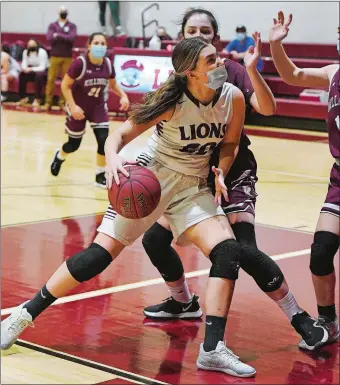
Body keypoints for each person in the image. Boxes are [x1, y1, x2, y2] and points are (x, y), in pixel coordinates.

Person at [1, 37, 258, 378]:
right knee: (98, 256)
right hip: (151, 179)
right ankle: (23, 314)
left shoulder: (233, 97)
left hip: (192, 186)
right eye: (211, 60)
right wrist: (111, 160)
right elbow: (118, 135)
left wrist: (221, 172)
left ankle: (212, 348)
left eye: (218, 57)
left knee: (227, 252)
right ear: (189, 72)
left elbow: (230, 142)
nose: (221, 63)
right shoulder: (171, 101)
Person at [141, 7, 328, 351]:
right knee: (153, 241)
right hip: (191, 178)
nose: (199, 35)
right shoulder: (173, 84)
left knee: (243, 250)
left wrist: (254, 69)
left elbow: (268, 108)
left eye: (206, 31)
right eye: (192, 30)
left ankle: (299, 317)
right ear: (182, 38)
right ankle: (182, 302)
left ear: (216, 37)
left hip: (234, 170)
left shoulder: (230, 71)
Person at [269, 11, 340, 347]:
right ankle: (329, 320)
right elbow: (293, 75)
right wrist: (275, 45)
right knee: (321, 252)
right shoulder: (333, 72)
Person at [50, 33, 129, 188]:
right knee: (73, 145)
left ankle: (100, 173)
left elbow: (113, 85)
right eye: (96, 43)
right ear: (89, 45)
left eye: (102, 43)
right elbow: (65, 86)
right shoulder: (80, 63)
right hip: (78, 106)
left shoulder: (107, 63)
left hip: (98, 107)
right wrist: (72, 106)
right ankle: (60, 156)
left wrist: (123, 96)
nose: (100, 46)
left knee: (103, 139)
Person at [44, 5, 77, 111]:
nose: (63, 12)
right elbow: (49, 38)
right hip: (54, 56)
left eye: (64, 11)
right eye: (61, 11)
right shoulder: (52, 25)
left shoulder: (72, 26)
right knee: (50, 80)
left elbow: (72, 38)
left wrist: (58, 35)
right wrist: (64, 35)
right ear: (58, 13)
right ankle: (48, 102)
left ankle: (63, 103)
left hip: (67, 57)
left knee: (66, 81)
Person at [16, 39, 49, 108]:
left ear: (37, 45)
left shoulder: (42, 52)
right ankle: (23, 98)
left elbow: (42, 67)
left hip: (43, 71)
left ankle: (37, 99)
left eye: (32, 44)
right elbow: (24, 63)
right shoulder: (25, 52)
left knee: (38, 75)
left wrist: (31, 69)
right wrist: (25, 69)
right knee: (22, 74)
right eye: (29, 45)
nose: (31, 46)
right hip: (32, 70)